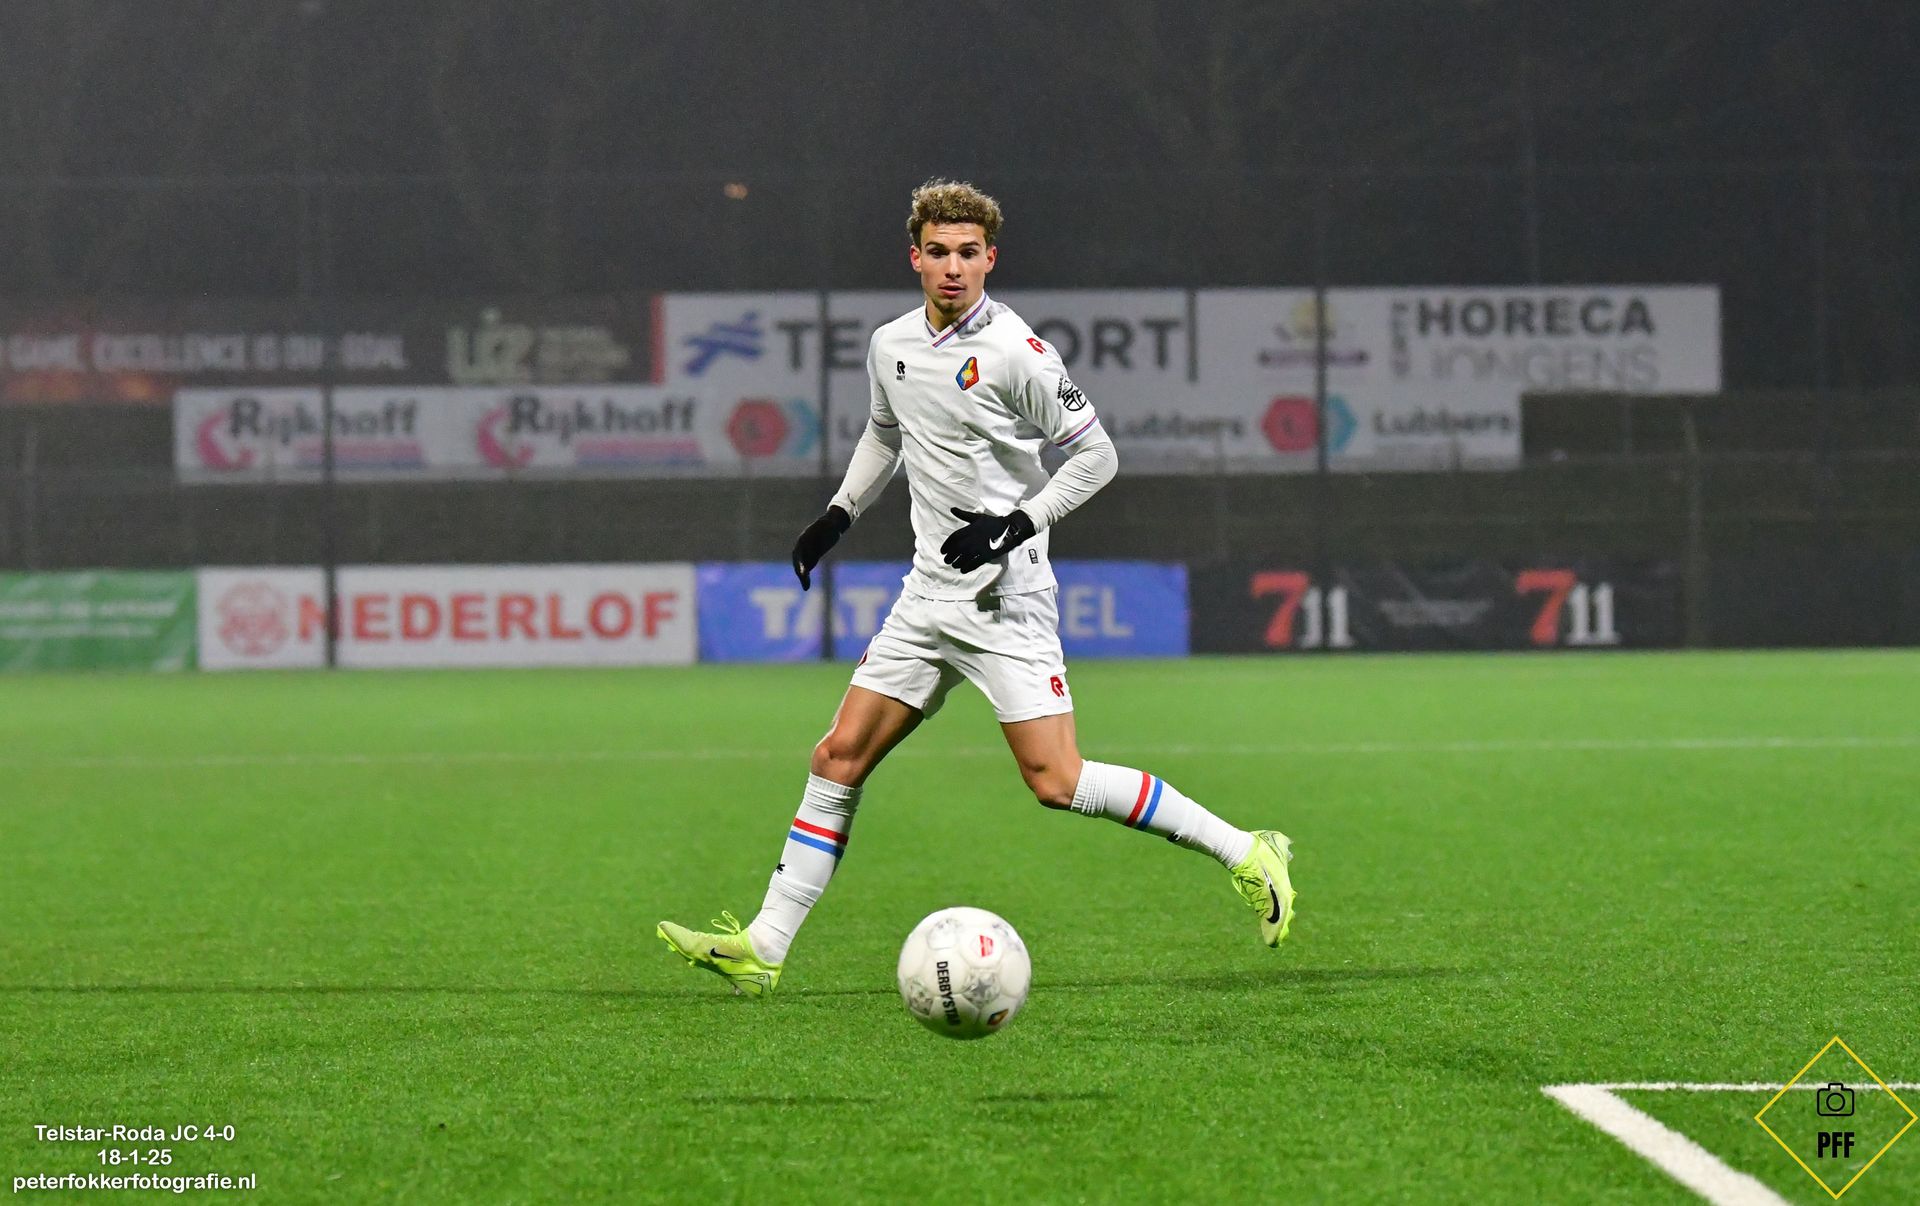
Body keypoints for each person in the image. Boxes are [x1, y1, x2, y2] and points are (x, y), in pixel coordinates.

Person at [658, 179, 1295, 996]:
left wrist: (1017, 523)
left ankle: (1247, 851)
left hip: (1006, 600)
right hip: (925, 595)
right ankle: (764, 948)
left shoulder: (1018, 353)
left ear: (991, 258)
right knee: (837, 756)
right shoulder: (890, 344)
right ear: (914, 258)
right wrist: (840, 513)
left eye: (968, 253)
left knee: (1056, 782)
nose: (953, 268)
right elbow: (884, 433)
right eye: (939, 253)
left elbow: (1098, 456)